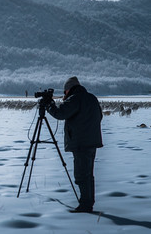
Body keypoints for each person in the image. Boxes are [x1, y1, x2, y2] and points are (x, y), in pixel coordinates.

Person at [46, 76, 103, 213]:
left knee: (81, 175)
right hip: (92, 142)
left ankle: (85, 205)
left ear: (69, 90)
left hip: (81, 142)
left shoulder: (75, 98)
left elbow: (60, 113)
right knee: (88, 174)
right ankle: (88, 202)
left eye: (65, 91)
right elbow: (99, 116)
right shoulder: (92, 98)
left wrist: (49, 105)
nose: (64, 94)